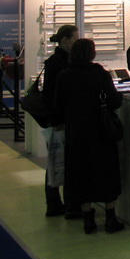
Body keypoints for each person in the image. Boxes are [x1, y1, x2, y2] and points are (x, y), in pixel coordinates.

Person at [54, 38, 124, 234]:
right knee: (106, 172)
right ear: (92, 54)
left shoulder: (64, 76)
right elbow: (115, 101)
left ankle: (88, 219)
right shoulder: (100, 74)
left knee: (80, 174)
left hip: (76, 133)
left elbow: (58, 106)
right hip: (100, 132)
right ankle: (110, 217)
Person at [41, 24, 80, 219]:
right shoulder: (58, 62)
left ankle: (58, 203)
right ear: (65, 40)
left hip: (61, 119)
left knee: (57, 161)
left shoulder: (61, 61)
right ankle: (59, 204)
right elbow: (53, 94)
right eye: (75, 38)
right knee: (59, 161)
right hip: (60, 120)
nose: (77, 42)